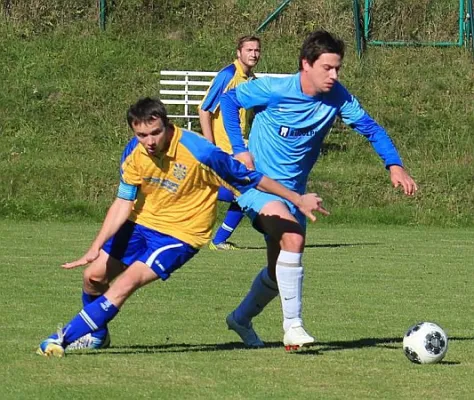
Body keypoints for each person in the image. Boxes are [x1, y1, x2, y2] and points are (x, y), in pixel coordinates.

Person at [36, 97, 329, 358]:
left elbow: (250, 178)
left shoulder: (200, 151)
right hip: (140, 224)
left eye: (155, 133)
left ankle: (60, 339)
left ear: (168, 126)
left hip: (180, 235)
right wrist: (94, 246)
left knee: (127, 283)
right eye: (141, 135)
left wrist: (295, 198)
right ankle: (98, 335)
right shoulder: (134, 151)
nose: (149, 141)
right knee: (93, 278)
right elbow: (123, 202)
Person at [219, 30, 418, 351]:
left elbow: (370, 129)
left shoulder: (338, 97)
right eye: (327, 68)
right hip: (257, 185)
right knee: (293, 238)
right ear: (306, 64)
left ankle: (240, 319)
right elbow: (229, 100)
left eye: (338, 68)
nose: (334, 75)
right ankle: (293, 326)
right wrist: (239, 148)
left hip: (294, 193)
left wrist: (394, 164)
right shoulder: (275, 89)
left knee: (277, 267)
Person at [198, 35, 261, 251]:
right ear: (238, 52)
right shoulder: (228, 75)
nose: (253, 54)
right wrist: (210, 146)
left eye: (256, 50)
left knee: (246, 193)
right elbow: (204, 109)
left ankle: (218, 240)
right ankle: (194, 192)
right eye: (249, 50)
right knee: (246, 192)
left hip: (240, 150)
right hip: (224, 150)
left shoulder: (252, 80)